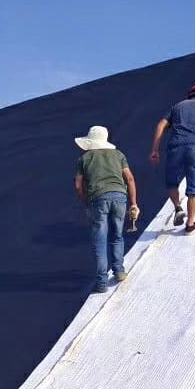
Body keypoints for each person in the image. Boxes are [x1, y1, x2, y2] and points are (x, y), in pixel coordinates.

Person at [74, 125, 138, 294]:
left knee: (100, 240)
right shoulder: (118, 155)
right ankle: (119, 271)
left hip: (97, 198)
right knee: (117, 236)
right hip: (119, 196)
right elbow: (130, 179)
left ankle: (102, 282)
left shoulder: (84, 159)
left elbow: (78, 185)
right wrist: (133, 203)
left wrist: (85, 201)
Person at [150, 83, 195, 233]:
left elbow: (161, 125)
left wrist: (155, 150)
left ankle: (177, 207)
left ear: (191, 94)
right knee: (194, 188)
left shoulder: (177, 107)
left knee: (172, 182)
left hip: (175, 147)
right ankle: (190, 223)